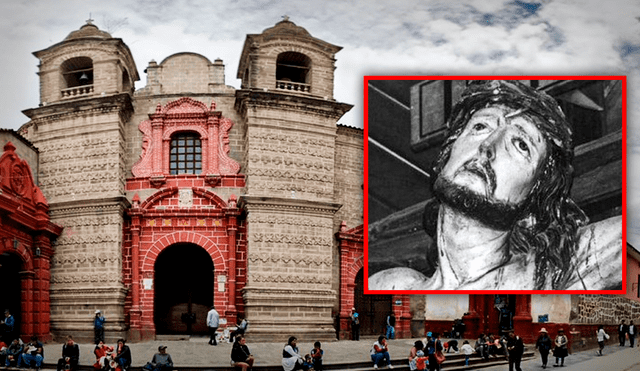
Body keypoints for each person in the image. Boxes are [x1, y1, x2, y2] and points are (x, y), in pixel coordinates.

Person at [369, 79, 622, 290]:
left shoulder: (545, 275)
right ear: (448, 154)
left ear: (535, 198)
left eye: (521, 144)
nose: (487, 147)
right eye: (481, 126)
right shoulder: (392, 284)